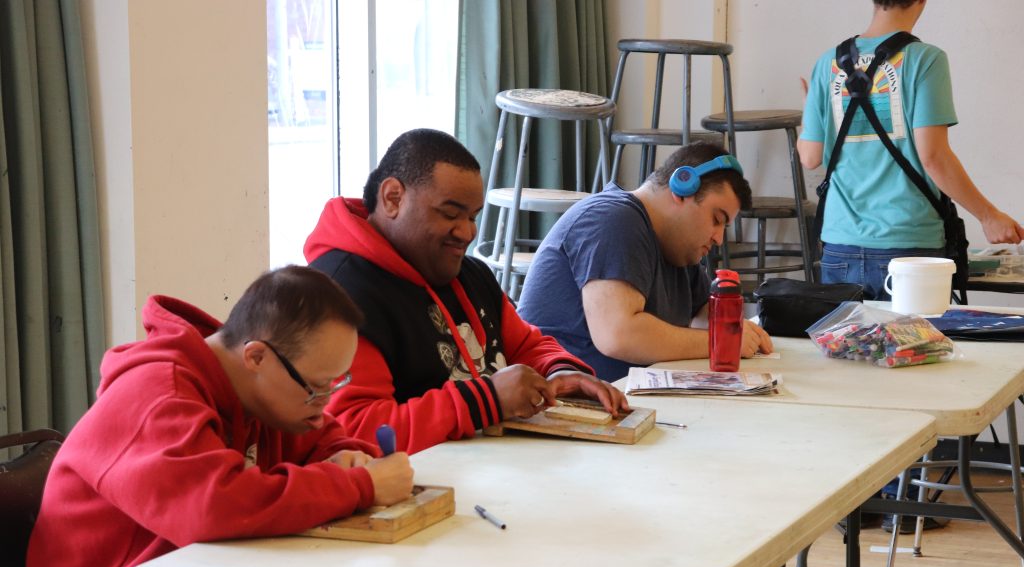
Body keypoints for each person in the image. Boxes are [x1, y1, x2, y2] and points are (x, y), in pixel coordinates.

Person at [21, 266, 414, 567]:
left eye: (335, 384)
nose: (324, 403)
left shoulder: (262, 394)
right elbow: (212, 507)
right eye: (316, 387)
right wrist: (359, 486)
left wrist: (348, 456)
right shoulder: (158, 394)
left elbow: (323, 438)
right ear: (256, 356)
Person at [305, 128, 628, 453]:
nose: (467, 232)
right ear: (393, 198)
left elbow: (529, 346)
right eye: (450, 214)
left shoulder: (466, 272)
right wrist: (486, 400)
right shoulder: (339, 295)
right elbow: (357, 432)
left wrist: (562, 372)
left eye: (472, 216)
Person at [798, 0, 1024, 300]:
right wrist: (988, 215)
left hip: (840, 249)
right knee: (917, 347)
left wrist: (810, 114)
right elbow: (933, 157)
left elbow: (810, 157)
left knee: (847, 346)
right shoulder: (926, 60)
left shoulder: (828, 63)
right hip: (909, 246)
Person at [516, 141, 773, 382]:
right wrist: (722, 342)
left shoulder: (678, 250)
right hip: (562, 401)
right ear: (682, 188)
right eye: (716, 219)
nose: (718, 238)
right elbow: (618, 335)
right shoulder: (613, 220)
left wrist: (736, 330)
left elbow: (706, 317)